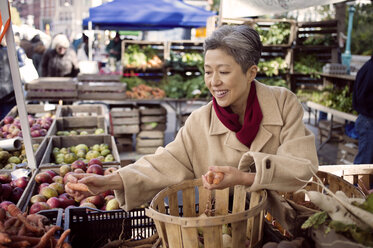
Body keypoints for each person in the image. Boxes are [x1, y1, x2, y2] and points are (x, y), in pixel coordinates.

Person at [66, 25, 318, 211]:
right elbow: (166, 162)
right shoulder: (200, 120)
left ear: (251, 72)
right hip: (225, 225)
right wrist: (112, 180)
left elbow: (303, 168)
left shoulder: (283, 103)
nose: (214, 81)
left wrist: (244, 178)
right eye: (208, 72)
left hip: (281, 223)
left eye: (224, 72)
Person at [353, 55, 373, 164]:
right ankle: (356, 182)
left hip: (367, 120)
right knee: (364, 164)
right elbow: (362, 98)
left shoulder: (368, 66)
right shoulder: (370, 69)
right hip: (368, 121)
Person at [0, 39, 16, 120]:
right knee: (7, 119)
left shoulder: (6, 52)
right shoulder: (7, 51)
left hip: (5, 92)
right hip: (9, 90)